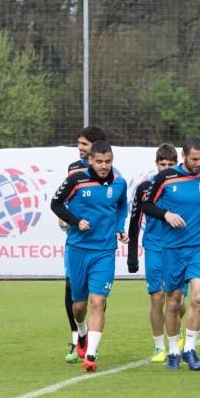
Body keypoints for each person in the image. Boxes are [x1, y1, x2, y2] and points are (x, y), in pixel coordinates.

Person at [141, 137, 200, 371]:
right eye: (194, 158)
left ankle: (190, 348)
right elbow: (147, 205)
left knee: (198, 297)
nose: (198, 163)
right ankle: (173, 350)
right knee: (174, 302)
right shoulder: (165, 177)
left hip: (199, 247)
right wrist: (165, 214)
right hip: (172, 249)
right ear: (184, 156)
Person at [50, 140, 128, 372]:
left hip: (104, 251)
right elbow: (56, 203)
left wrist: (120, 228)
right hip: (77, 249)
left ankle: (91, 355)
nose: (104, 166)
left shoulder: (119, 182)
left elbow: (122, 207)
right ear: (90, 161)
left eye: (108, 161)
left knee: (98, 302)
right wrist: (75, 221)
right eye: (99, 161)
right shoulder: (76, 180)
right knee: (78, 306)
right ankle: (82, 334)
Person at [127, 143, 178, 363]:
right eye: (162, 164)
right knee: (157, 298)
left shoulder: (183, 186)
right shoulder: (145, 188)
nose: (166, 168)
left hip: (178, 248)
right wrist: (131, 254)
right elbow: (135, 221)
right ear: (156, 164)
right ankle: (159, 347)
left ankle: (175, 330)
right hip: (154, 247)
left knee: (177, 300)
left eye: (170, 164)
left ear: (177, 164)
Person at [60, 124, 107, 362]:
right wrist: (66, 218)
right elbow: (64, 199)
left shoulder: (109, 174)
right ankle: (78, 335)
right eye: (79, 144)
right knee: (73, 291)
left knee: (98, 298)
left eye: (84, 145)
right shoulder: (73, 170)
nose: (79, 148)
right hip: (76, 241)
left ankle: (91, 347)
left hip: (100, 246)